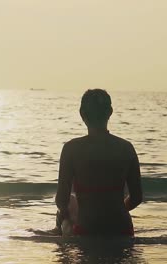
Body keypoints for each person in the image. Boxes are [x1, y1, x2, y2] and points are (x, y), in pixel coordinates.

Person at [54, 89, 143, 237]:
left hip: (87, 229)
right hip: (122, 229)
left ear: (82, 114)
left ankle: (63, 254)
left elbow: (62, 200)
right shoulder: (126, 148)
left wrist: (66, 214)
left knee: (65, 210)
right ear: (110, 112)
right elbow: (137, 198)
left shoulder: (71, 149)